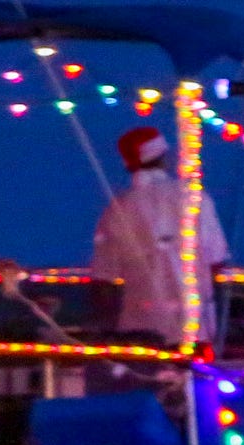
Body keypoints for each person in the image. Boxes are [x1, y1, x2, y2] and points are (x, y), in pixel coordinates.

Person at [90, 125, 229, 342]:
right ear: (162, 156)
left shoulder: (119, 208)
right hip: (195, 328)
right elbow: (216, 262)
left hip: (140, 331)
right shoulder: (195, 198)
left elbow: (103, 281)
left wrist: (106, 333)